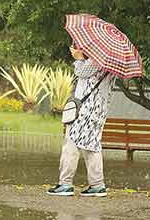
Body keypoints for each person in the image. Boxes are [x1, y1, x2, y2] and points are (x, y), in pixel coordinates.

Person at [47, 45, 116, 197]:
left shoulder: (98, 58)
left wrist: (78, 58)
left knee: (71, 144)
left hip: (86, 110)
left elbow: (81, 72)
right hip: (97, 110)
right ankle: (97, 185)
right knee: (91, 146)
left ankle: (65, 184)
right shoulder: (111, 62)